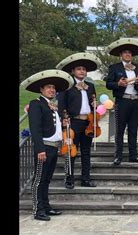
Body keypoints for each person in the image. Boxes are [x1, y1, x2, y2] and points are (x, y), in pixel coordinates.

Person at [20, 69, 74, 221]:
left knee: (47, 179)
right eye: (48, 87)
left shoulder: (52, 106)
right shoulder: (36, 104)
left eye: (53, 88)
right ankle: (38, 210)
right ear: (41, 89)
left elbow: (51, 126)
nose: (52, 90)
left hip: (53, 147)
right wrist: (40, 149)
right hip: (44, 147)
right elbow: (35, 129)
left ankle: (46, 207)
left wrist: (63, 124)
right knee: (39, 180)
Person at [56, 52, 102, 189]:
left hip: (87, 123)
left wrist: (95, 106)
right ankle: (69, 179)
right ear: (73, 71)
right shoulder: (67, 87)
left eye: (84, 69)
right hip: (73, 123)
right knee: (71, 151)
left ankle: (85, 179)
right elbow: (62, 106)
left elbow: (92, 103)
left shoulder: (90, 86)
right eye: (79, 69)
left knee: (86, 152)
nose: (82, 71)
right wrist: (64, 122)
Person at [105, 38, 138, 165]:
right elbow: (108, 84)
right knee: (120, 130)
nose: (128, 54)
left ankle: (133, 155)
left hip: (135, 101)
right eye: (125, 52)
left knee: (133, 130)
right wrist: (118, 83)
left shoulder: (137, 67)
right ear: (121, 55)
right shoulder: (114, 67)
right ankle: (118, 156)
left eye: (129, 53)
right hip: (122, 101)